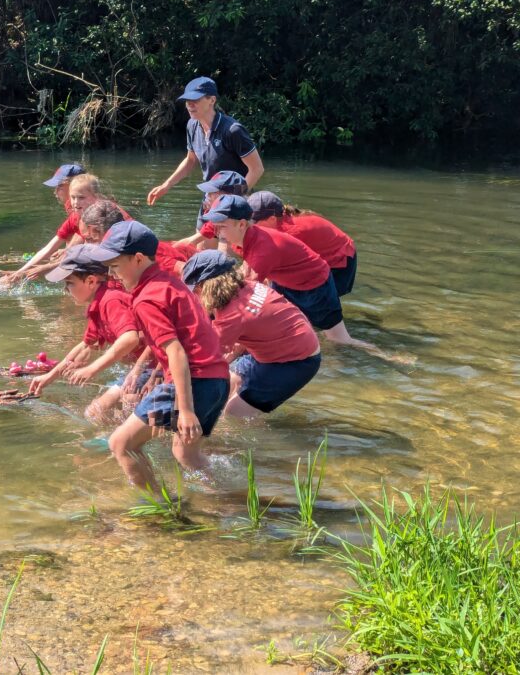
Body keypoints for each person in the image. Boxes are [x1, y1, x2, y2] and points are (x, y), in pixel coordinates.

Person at [87, 221, 230, 483]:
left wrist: (185, 410)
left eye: (116, 266)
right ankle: (226, 501)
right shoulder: (168, 283)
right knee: (185, 454)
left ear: (138, 258)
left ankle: (162, 510)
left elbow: (176, 352)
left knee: (121, 444)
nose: (112, 274)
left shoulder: (148, 298)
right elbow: (185, 337)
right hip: (215, 379)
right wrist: (155, 373)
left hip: (193, 382)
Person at [204, 195, 374, 350]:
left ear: (242, 224)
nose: (218, 233)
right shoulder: (242, 237)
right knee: (292, 326)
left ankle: (387, 356)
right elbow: (244, 273)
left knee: (339, 339)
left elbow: (244, 292)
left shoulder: (264, 248)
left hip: (314, 286)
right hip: (285, 282)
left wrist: (213, 315)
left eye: (221, 227)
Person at [182, 251, 321, 418]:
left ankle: (247, 442)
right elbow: (248, 331)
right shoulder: (246, 286)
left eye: (195, 291)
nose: (194, 297)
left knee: (234, 413)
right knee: (229, 383)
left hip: (296, 363)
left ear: (206, 287)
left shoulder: (231, 316)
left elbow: (199, 361)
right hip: (282, 347)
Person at [28, 245, 145, 421]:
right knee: (102, 413)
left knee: (97, 413)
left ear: (91, 281)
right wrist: (50, 376)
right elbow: (86, 346)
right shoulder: (98, 303)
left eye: (69, 283)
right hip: (140, 368)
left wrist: (92, 369)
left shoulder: (111, 300)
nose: (65, 290)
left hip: (152, 366)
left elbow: (130, 338)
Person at [146, 77, 264, 227]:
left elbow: (257, 169)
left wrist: (231, 199)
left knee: (226, 248)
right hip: (210, 198)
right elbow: (190, 160)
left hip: (235, 202)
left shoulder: (232, 130)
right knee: (201, 248)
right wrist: (166, 185)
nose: (189, 104)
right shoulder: (192, 125)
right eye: (187, 100)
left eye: (195, 99)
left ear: (212, 100)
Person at [9, 174, 128, 282]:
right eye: (73, 197)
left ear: (96, 197)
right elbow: (49, 248)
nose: (75, 203)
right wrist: (19, 272)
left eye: (81, 198)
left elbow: (94, 253)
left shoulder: (105, 216)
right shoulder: (77, 216)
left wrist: (49, 267)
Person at [247, 191, 358, 296]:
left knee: (317, 301)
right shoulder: (280, 219)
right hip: (328, 253)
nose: (250, 226)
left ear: (272, 219)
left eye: (253, 222)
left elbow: (264, 269)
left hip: (341, 260)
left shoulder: (288, 235)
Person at [175, 170, 249, 252]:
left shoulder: (236, 223)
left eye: (212, 192)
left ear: (229, 197)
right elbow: (191, 241)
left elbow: (223, 258)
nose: (207, 195)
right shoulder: (222, 218)